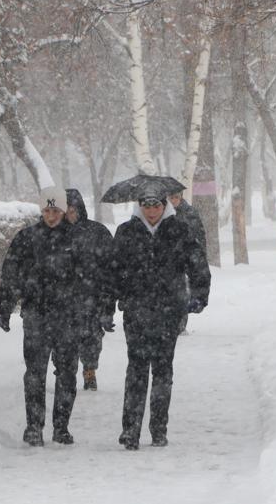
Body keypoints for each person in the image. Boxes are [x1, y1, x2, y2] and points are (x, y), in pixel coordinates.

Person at [112, 183, 211, 450]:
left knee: (163, 371)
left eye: (156, 205)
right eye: (146, 205)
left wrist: (200, 294)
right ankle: (130, 430)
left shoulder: (180, 230)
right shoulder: (126, 232)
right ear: (139, 207)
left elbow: (197, 263)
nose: (152, 211)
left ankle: (158, 428)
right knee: (136, 370)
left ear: (164, 205)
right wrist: (108, 303)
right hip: (136, 310)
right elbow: (112, 270)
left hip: (169, 311)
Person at [0, 187, 81, 447]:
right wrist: (5, 306)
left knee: (67, 372)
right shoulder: (27, 238)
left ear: (64, 210)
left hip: (68, 315)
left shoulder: (76, 240)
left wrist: (93, 309)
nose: (51, 215)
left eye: (56, 210)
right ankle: (34, 426)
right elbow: (10, 274)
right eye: (47, 210)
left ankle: (61, 427)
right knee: (34, 372)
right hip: (36, 314)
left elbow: (89, 277)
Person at [65, 189, 115, 391]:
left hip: (92, 297)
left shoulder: (97, 232)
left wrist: (108, 304)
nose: (69, 214)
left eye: (72, 209)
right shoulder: (51, 234)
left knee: (91, 339)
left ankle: (89, 371)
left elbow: (111, 268)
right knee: (64, 340)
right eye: (65, 209)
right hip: (64, 299)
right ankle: (66, 373)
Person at [168, 191, 208, 336]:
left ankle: (180, 324)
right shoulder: (162, 213)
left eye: (175, 197)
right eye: (170, 197)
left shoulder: (189, 213)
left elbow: (199, 235)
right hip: (167, 259)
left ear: (180, 197)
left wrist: (199, 257)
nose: (173, 200)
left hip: (185, 259)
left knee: (182, 291)